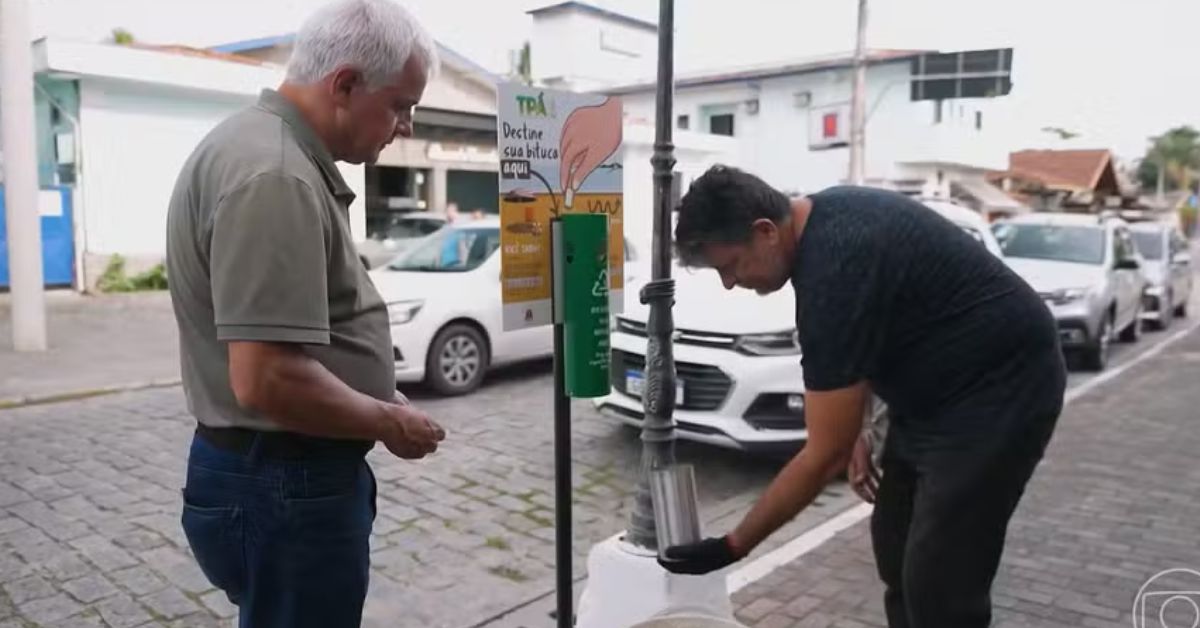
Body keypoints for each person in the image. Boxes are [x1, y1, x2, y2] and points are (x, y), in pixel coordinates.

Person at [657, 166, 1065, 628]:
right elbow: (866, 336)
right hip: (930, 396)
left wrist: (733, 545)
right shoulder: (819, 218)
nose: (730, 283)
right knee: (895, 548)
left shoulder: (835, 265)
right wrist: (854, 429)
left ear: (765, 231)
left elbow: (822, 456)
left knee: (941, 581)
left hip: (1001, 391)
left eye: (729, 266)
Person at [164, 1, 445, 626]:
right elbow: (266, 378)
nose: (405, 126)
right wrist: (385, 421)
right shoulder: (277, 173)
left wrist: (380, 398)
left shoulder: (270, 151)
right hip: (283, 482)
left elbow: (296, 345)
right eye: (400, 105)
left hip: (275, 477)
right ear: (344, 84)